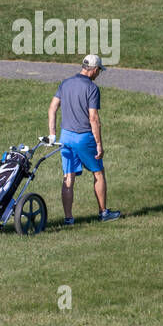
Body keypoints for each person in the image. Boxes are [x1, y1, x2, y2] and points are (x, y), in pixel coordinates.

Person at [47, 54, 121, 224]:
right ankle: (104, 213)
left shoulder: (65, 83)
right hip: (84, 137)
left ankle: (68, 219)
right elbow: (93, 118)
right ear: (94, 70)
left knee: (68, 177)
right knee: (98, 173)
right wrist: (99, 144)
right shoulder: (92, 88)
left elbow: (52, 108)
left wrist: (52, 134)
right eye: (99, 71)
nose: (99, 74)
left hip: (65, 136)